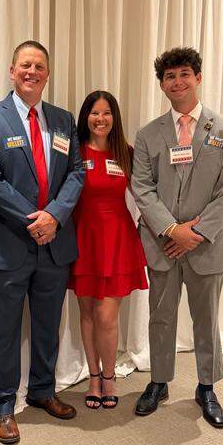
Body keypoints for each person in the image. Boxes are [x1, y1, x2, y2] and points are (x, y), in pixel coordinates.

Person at [0, 40, 85, 444]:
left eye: (38, 66)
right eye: (24, 65)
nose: (31, 72)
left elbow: (76, 173)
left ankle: (41, 391)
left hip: (54, 243)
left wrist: (54, 216)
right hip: (9, 242)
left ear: (47, 74)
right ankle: (2, 405)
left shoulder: (63, 119)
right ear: (11, 71)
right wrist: (33, 220)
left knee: (48, 324)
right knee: (3, 328)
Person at [130, 46, 223, 428]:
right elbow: (142, 187)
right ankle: (159, 382)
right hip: (162, 244)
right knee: (160, 317)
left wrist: (193, 233)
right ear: (161, 85)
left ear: (197, 77)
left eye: (183, 74)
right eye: (169, 76)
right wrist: (171, 229)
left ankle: (207, 386)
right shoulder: (149, 134)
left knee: (206, 319)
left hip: (206, 245)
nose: (176, 82)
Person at [67, 90, 148, 409]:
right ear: (85, 116)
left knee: (107, 316)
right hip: (84, 238)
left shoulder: (125, 152)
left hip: (116, 239)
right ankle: (93, 377)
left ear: (115, 118)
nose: (100, 119)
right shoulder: (74, 152)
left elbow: (145, 193)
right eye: (94, 113)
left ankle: (110, 376)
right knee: (86, 314)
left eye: (107, 113)